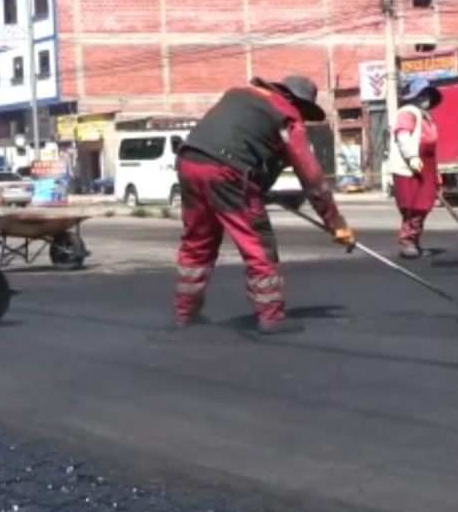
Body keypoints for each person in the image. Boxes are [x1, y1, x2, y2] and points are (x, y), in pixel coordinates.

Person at [173, 75, 355, 335]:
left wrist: (258, 188)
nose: (303, 118)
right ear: (298, 103)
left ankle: (185, 313)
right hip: (227, 170)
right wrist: (335, 222)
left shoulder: (239, 93)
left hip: (190, 162)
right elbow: (312, 177)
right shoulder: (286, 114)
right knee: (258, 244)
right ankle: (271, 316)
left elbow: (248, 149)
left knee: (197, 243)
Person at [390, 78, 443, 259]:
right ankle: (407, 242)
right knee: (412, 207)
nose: (426, 98)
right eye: (422, 94)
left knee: (423, 206)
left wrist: (435, 172)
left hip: (426, 166)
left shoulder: (426, 117)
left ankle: (415, 241)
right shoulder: (408, 113)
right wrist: (412, 157)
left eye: (427, 94)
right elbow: (403, 137)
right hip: (409, 167)